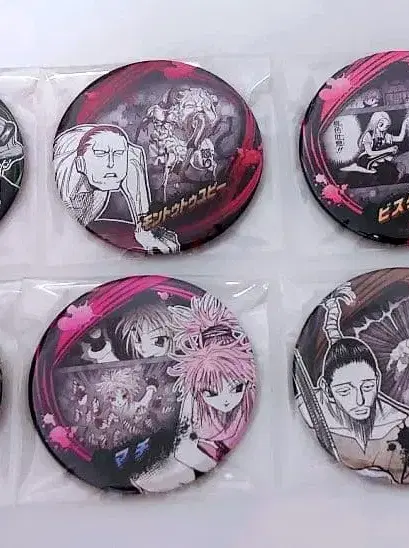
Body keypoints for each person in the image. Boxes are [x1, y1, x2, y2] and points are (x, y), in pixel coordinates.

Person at [296, 285, 409, 485]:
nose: (360, 400)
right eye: (345, 391)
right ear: (327, 390)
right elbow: (340, 350)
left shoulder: (405, 422)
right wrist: (330, 316)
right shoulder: (309, 406)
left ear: (377, 379)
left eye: (368, 387)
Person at [130, 293, 255, 492]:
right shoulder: (192, 400)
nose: (226, 400)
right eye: (210, 393)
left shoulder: (248, 398)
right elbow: (183, 449)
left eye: (237, 388)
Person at [53, 124, 180, 253]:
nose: (111, 164)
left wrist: (146, 228)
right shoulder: (65, 175)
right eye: (101, 154)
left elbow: (132, 159)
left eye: (118, 154)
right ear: (80, 164)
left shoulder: (126, 160)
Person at [340, 111, 409, 175]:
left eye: (387, 126)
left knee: (392, 159)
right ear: (375, 123)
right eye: (381, 124)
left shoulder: (385, 135)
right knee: (375, 169)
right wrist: (388, 150)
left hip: (379, 156)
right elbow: (370, 153)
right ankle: (356, 167)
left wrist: (404, 124)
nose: (384, 127)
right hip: (366, 158)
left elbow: (400, 138)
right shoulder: (368, 135)